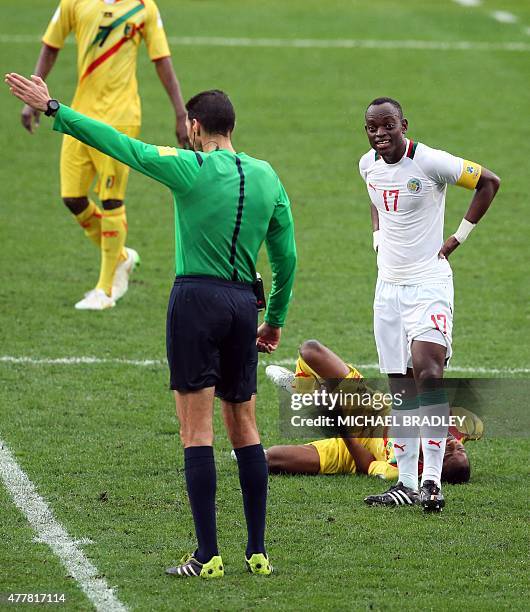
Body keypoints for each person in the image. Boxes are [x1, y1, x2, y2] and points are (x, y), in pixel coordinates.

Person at [5, 73, 296, 578]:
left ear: (195, 126)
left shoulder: (189, 166)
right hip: (241, 307)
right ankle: (258, 552)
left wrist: (55, 108)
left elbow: (122, 146)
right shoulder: (268, 176)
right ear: (233, 126)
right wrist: (272, 320)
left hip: (196, 302)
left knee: (196, 430)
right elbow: (286, 258)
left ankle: (207, 556)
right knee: (245, 425)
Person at [358, 97, 499, 511]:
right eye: (372, 128)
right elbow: (375, 197)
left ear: (403, 124)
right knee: (400, 385)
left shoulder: (431, 162)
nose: (380, 135)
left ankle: (432, 481)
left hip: (428, 284)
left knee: (429, 373)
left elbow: (489, 181)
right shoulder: (367, 164)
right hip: (388, 289)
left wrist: (458, 237)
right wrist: (378, 237)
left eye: (387, 126)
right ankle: (404, 483)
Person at [22, 0, 188, 310]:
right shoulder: (74, 2)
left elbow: (162, 60)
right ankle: (121, 257)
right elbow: (51, 44)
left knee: (112, 199)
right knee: (72, 198)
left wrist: (180, 113)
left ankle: (105, 290)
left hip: (120, 117)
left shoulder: (143, 7)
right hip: (78, 115)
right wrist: (33, 95)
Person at [264, 339, 476, 490]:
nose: (453, 444)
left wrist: (337, 421)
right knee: (310, 351)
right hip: (369, 409)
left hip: (352, 449)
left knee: (270, 459)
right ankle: (304, 389)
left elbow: (366, 465)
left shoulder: (400, 470)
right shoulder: (456, 428)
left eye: (449, 453)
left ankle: (314, 398)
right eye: (460, 448)